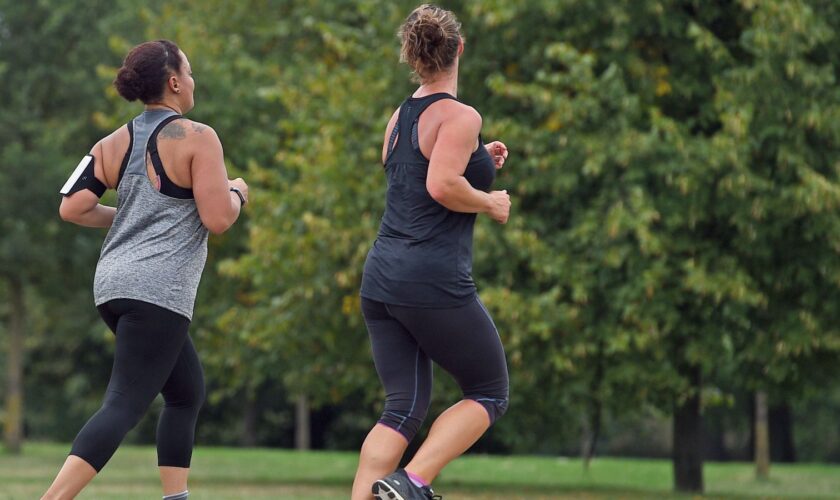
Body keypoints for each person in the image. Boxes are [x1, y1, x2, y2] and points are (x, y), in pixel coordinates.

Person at [42, 39, 248, 500]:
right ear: (174, 82)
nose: (193, 81)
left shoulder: (110, 141)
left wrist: (132, 220)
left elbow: (72, 207)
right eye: (190, 72)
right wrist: (238, 190)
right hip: (156, 291)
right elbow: (218, 219)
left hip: (112, 286)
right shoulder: (198, 137)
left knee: (186, 393)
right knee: (122, 404)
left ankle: (176, 497)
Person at [352, 5, 511, 500]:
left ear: (413, 57)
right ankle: (410, 483)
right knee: (488, 391)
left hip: (381, 279)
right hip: (431, 279)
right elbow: (441, 184)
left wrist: (483, 161)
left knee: (401, 408)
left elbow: (416, 178)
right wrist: (490, 201)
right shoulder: (462, 115)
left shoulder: (399, 117)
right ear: (459, 48)